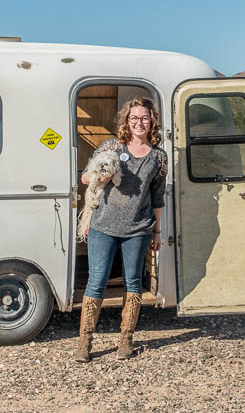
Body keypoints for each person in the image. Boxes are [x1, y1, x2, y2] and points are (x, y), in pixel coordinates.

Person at [75, 96, 166, 362]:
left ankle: (126, 340)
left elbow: (158, 197)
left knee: (133, 282)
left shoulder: (158, 157)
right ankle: (85, 342)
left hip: (137, 228)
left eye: (145, 118)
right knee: (97, 281)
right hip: (103, 225)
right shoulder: (111, 146)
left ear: (152, 121)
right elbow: (85, 176)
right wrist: (99, 178)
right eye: (134, 117)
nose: (139, 122)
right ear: (127, 120)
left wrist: (158, 231)